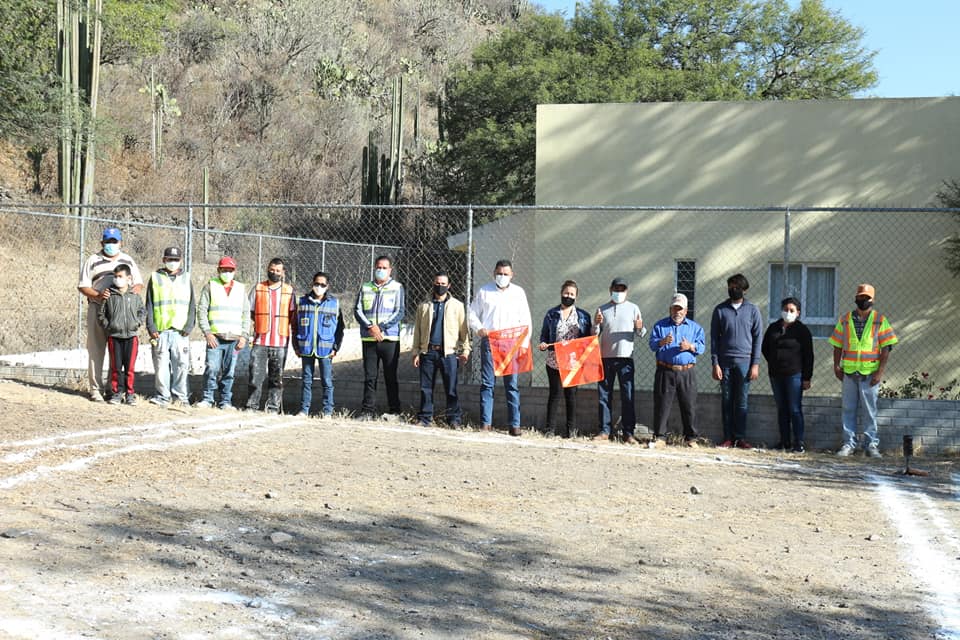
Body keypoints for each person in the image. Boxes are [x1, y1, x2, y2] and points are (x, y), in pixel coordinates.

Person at [829, 283, 898, 458]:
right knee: (848, 409)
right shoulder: (845, 320)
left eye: (866, 298)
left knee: (870, 411)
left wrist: (880, 372)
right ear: (855, 298)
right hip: (849, 373)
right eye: (860, 297)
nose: (863, 300)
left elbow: (886, 348)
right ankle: (848, 444)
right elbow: (837, 345)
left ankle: (871, 445)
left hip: (870, 374)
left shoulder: (880, 320)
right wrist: (837, 366)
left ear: (872, 300)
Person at [77, 227, 143, 402]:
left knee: (118, 355)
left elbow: (138, 284)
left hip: (121, 313)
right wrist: (98, 296)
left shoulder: (127, 260)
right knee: (96, 350)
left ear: (121, 243)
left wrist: (130, 298)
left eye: (114, 242)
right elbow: (83, 286)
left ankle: (113, 390)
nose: (111, 245)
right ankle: (96, 390)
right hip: (98, 308)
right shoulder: (93, 260)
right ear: (102, 243)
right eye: (108, 242)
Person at [468, 259, 532, 436]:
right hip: (490, 342)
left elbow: (526, 320)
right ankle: (485, 423)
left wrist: (524, 344)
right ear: (494, 273)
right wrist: (479, 328)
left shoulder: (518, 293)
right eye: (499, 273)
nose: (502, 276)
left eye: (506, 274)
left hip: (512, 343)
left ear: (512, 275)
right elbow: (472, 312)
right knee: (488, 384)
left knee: (511, 385)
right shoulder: (484, 291)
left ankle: (514, 425)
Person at [711, 273, 763, 449]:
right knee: (726, 400)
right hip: (724, 362)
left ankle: (740, 438)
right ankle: (727, 437)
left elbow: (758, 338)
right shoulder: (720, 310)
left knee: (741, 401)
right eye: (731, 286)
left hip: (745, 363)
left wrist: (755, 364)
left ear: (745, 289)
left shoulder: (753, 310)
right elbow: (714, 339)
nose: (733, 289)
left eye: (737, 287)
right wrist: (715, 363)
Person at [412, 271, 470, 427]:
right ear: (433, 284)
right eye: (437, 283)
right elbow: (417, 331)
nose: (440, 286)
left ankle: (453, 419)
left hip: (448, 353)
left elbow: (463, 330)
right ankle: (425, 418)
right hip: (428, 352)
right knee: (426, 388)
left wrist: (465, 350)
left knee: (451, 388)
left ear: (449, 286)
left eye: (443, 284)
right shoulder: (424, 306)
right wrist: (416, 352)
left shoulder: (457, 306)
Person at [648, 293, 704, 447]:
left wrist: (690, 347)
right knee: (662, 405)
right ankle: (659, 437)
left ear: (686, 310)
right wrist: (662, 341)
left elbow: (701, 347)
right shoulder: (660, 326)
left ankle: (691, 438)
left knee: (689, 405)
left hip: (687, 372)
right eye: (674, 308)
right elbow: (652, 345)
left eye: (680, 309)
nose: (677, 312)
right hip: (665, 370)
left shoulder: (695, 328)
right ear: (670, 309)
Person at [538, 280, 592, 438]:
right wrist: (543, 343)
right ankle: (550, 429)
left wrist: (597, 327)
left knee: (572, 396)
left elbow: (589, 338)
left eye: (572, 294)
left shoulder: (583, 316)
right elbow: (544, 335)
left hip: (573, 362)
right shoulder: (551, 314)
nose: (568, 296)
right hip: (554, 361)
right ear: (561, 293)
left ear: (576, 297)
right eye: (566, 293)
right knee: (555, 394)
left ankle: (571, 431)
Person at [594, 277, 644, 444]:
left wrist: (639, 327)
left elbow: (640, 333)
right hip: (605, 358)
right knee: (604, 395)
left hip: (626, 359)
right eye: (616, 289)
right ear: (610, 290)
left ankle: (628, 433)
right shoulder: (602, 309)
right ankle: (604, 431)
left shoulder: (634, 308)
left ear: (627, 291)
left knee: (627, 396)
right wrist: (596, 324)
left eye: (622, 289)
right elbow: (594, 334)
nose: (619, 292)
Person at [354, 255, 405, 418]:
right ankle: (368, 411)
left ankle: (395, 411)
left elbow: (400, 311)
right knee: (370, 377)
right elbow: (357, 310)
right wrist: (370, 327)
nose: (381, 270)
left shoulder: (397, 287)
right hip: (369, 339)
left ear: (390, 270)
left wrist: (380, 328)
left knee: (390, 376)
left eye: (384, 268)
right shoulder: (365, 287)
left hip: (389, 339)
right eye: (378, 267)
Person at [195, 256, 249, 410]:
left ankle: (225, 401)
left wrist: (244, 335)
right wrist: (207, 332)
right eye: (224, 270)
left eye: (230, 270)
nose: (227, 272)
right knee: (211, 368)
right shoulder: (210, 286)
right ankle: (208, 398)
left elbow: (246, 314)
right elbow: (202, 310)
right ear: (218, 270)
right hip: (215, 338)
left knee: (229, 372)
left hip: (234, 339)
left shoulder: (240, 289)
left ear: (234, 271)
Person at [761, 297, 814, 453]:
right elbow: (765, 348)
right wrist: (774, 362)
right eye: (786, 309)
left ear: (798, 313)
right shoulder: (773, 328)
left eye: (792, 310)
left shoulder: (802, 331)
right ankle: (784, 442)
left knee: (794, 409)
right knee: (782, 408)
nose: (788, 313)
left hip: (794, 376)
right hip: (776, 375)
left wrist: (806, 377)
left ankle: (799, 443)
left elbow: (809, 355)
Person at [145, 247, 196, 407]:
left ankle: (181, 397)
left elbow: (192, 305)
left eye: (175, 260)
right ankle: (162, 396)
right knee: (161, 366)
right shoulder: (155, 278)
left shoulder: (186, 279)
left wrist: (189, 326)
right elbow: (149, 305)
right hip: (160, 331)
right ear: (163, 260)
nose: (172, 262)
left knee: (181, 365)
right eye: (169, 259)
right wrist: (151, 327)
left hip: (181, 332)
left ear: (181, 261)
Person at [246, 257, 295, 413]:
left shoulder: (289, 290)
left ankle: (273, 408)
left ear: (283, 272)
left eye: (277, 271)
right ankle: (252, 406)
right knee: (255, 376)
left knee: (276, 378)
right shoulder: (258, 288)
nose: (274, 273)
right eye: (271, 270)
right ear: (267, 269)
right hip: (261, 339)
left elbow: (293, 314)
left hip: (280, 341)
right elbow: (250, 310)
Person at [294, 271, 345, 418]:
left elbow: (340, 329)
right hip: (306, 348)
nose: (319, 287)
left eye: (322, 284)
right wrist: (296, 346)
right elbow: (295, 326)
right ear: (312, 284)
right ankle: (304, 410)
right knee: (306, 380)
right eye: (316, 283)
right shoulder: (302, 302)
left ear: (327, 286)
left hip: (326, 349)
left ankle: (327, 411)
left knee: (327, 381)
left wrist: (335, 347)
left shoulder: (334, 304)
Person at [97, 264, 145, 405]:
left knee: (129, 368)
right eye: (115, 276)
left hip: (131, 337)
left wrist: (137, 323)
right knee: (116, 368)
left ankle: (130, 394)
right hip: (115, 337)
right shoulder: (109, 295)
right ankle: (117, 393)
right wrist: (109, 326)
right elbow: (101, 314)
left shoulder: (134, 295)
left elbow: (142, 311)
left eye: (120, 276)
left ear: (128, 278)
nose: (117, 279)